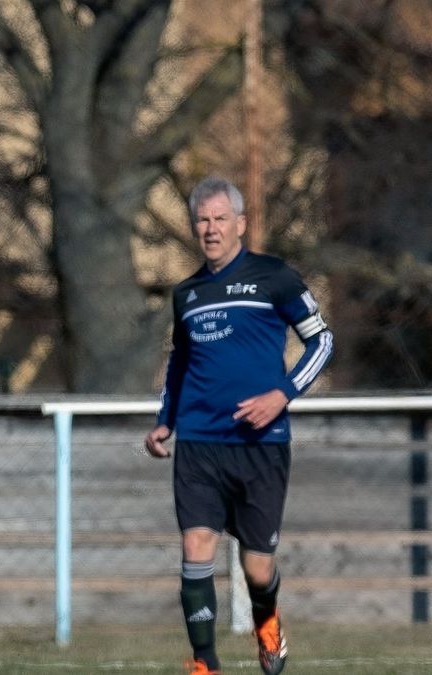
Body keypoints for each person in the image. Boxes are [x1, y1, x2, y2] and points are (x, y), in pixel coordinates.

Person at [145, 176, 333, 675]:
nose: (210, 229)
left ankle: (268, 628)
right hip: (200, 443)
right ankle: (205, 661)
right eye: (202, 220)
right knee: (195, 544)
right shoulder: (186, 293)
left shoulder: (275, 277)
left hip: (261, 444)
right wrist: (165, 422)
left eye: (219, 219)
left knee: (257, 565)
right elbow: (179, 366)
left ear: (240, 224)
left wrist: (282, 394)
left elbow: (322, 342)